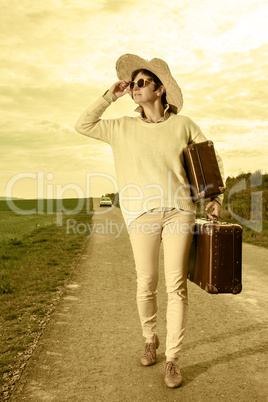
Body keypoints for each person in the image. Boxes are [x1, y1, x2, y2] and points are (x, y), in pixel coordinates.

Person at [74, 54, 224, 388]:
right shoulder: (120, 127)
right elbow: (82, 125)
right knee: (146, 282)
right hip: (140, 213)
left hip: (179, 211)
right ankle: (149, 338)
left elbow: (209, 162)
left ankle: (172, 359)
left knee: (176, 285)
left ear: (160, 89)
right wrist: (109, 95)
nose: (134, 89)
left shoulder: (184, 125)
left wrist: (215, 199)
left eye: (141, 82)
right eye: (132, 84)